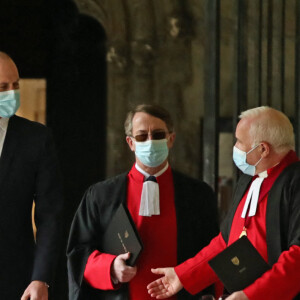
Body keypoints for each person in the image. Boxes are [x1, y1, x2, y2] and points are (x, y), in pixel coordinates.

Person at [67, 104, 219, 300]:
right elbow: (78, 253)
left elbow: (214, 251)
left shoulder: (198, 195)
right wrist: (110, 268)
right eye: (141, 136)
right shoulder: (100, 196)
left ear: (171, 139)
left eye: (158, 135)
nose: (150, 141)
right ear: (130, 143)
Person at [147, 106, 300, 300]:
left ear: (263, 149)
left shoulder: (295, 183)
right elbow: (226, 241)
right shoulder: (249, 178)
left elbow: (298, 257)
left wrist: (250, 296)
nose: (234, 147)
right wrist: (183, 275)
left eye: (239, 141)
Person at [0, 51, 63, 299]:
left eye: (15, 85)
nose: (11, 93)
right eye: (2, 86)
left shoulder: (36, 139)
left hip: (16, 279)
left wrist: (41, 278)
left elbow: (50, 214)